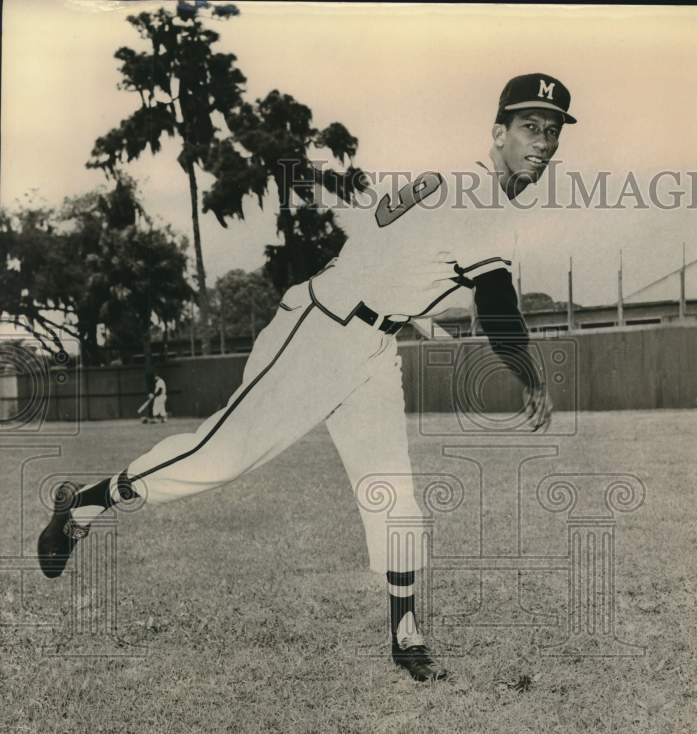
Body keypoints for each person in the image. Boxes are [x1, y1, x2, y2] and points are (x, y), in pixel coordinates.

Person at [37, 72, 573, 681]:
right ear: (497, 132)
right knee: (220, 456)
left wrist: (414, 312)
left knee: (391, 491)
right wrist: (528, 372)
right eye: (530, 127)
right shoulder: (483, 206)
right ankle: (82, 506)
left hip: (372, 342)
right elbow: (498, 303)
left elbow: (385, 243)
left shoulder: (444, 182)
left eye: (553, 132)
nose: (543, 142)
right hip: (321, 330)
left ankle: (406, 637)